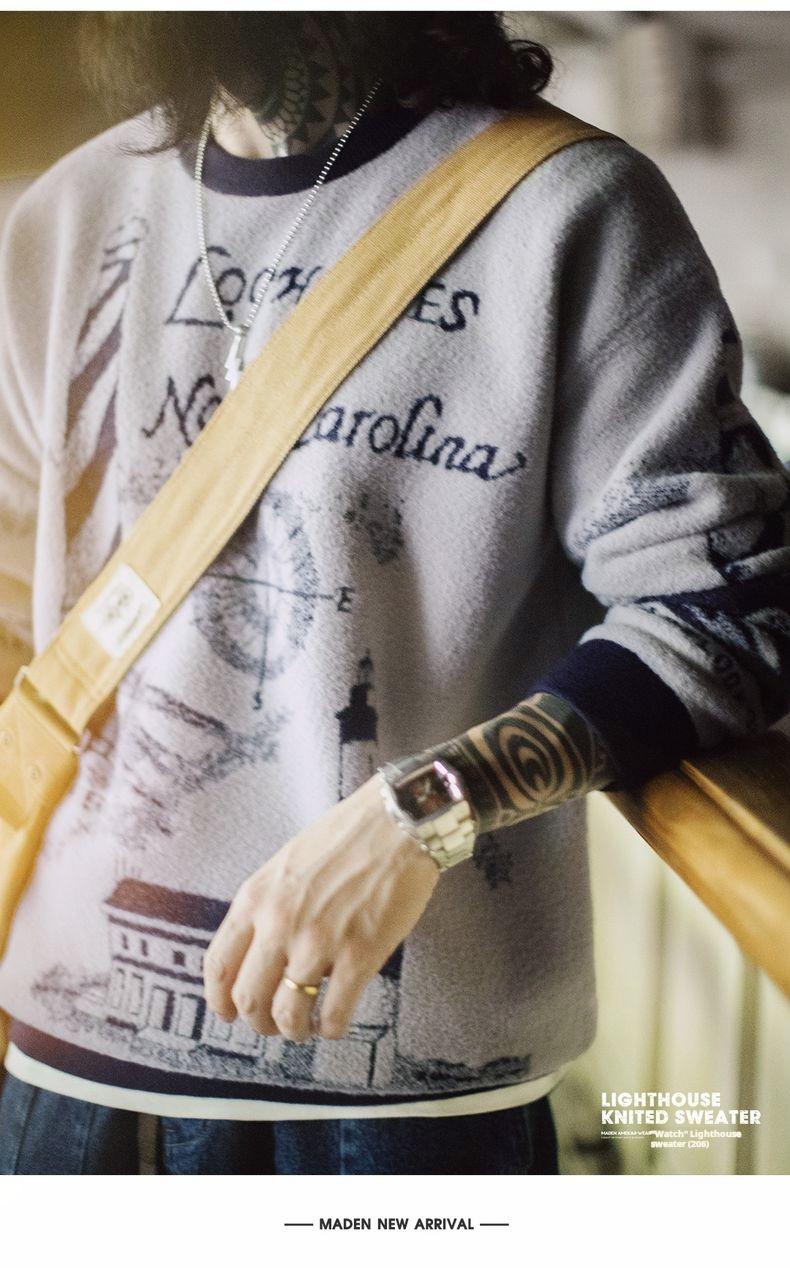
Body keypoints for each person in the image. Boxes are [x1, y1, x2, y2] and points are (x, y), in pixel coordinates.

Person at [0, 11, 788, 1176]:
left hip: (408, 1096)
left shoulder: (568, 209)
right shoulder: (70, 210)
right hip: (62, 1059)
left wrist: (423, 809)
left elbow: (730, 611)